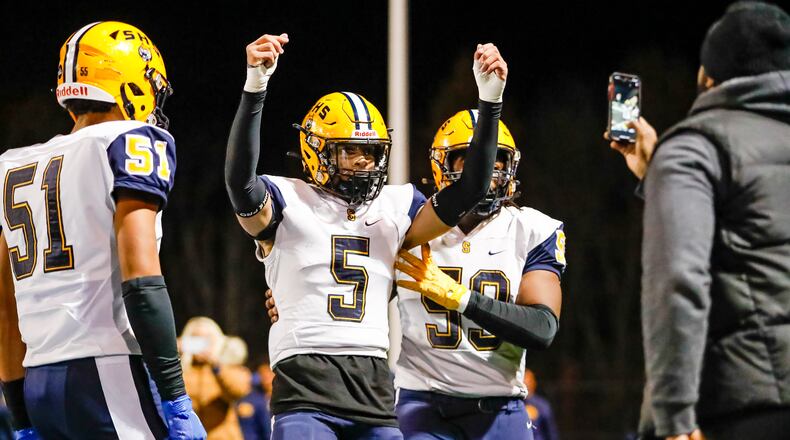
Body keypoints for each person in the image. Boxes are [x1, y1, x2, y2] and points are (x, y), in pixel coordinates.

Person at [224, 32, 508, 439]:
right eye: (350, 151)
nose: (364, 161)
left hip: (375, 392)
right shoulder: (287, 200)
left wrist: (490, 101)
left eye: (372, 152)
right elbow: (240, 184)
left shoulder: (395, 207)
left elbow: (469, 191)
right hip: (305, 389)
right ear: (316, 151)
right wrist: (255, 87)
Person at [0, 21, 206, 440]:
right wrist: (175, 396)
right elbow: (142, 280)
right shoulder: (128, 139)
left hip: (39, 382)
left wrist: (19, 414)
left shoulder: (13, 164)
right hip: (107, 369)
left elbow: (5, 305)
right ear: (130, 83)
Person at [607, 2, 790, 439]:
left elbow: (678, 279)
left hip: (741, 406)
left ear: (707, 77)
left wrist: (674, 416)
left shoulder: (695, 148)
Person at [393, 110, 565, 440]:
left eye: (497, 160)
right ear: (442, 165)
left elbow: (543, 328)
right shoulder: (409, 222)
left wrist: (460, 297)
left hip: (500, 404)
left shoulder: (530, 229)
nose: (487, 169)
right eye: (469, 160)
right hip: (424, 403)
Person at [180, 317, 251, 440]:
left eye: (206, 340)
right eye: (195, 339)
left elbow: (238, 391)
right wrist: (170, 353)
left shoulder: (228, 365)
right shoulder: (182, 370)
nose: (200, 344)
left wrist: (216, 365)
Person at [236, 361, 274, 440]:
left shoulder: (288, 396)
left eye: (269, 373)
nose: (266, 378)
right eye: (263, 374)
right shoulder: (251, 400)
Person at [523, 369, 560, 440]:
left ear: (534, 383)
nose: (526, 384)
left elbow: (551, 431)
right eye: (523, 381)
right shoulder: (514, 405)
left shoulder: (542, 405)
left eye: (528, 381)